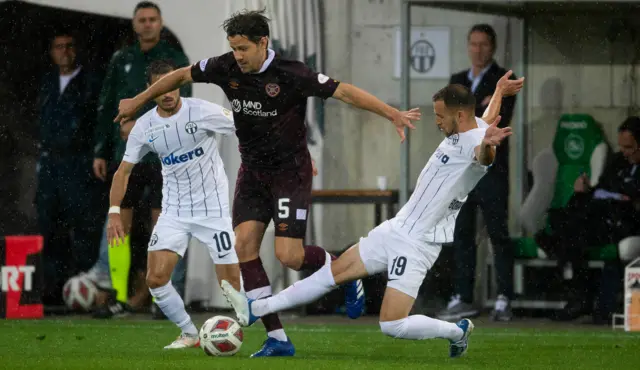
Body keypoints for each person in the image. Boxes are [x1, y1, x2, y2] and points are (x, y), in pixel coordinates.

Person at [113, 8, 420, 358]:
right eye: (233, 48)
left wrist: (391, 113)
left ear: (263, 43)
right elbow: (181, 75)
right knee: (244, 247)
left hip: (289, 173)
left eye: (243, 48)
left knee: (288, 256)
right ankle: (277, 338)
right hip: (253, 172)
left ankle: (341, 268)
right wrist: (137, 103)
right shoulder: (225, 66)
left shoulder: (292, 73)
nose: (237, 56)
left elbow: (344, 92)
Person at [222, 75, 524, 359]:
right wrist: (498, 93)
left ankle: (456, 332)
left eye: (439, 116)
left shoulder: (478, 143)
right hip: (396, 228)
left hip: (419, 244)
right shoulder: (472, 126)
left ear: (459, 116)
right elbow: (482, 122)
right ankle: (258, 307)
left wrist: (487, 146)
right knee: (335, 272)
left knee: (391, 325)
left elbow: (483, 154)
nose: (436, 122)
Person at [107, 59, 244, 349]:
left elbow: (245, 128)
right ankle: (189, 332)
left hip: (213, 210)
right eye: (161, 87)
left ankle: (262, 327)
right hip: (174, 211)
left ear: (180, 84)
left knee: (231, 289)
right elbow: (123, 172)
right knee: (156, 278)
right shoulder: (144, 127)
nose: (168, 93)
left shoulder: (202, 111)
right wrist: (114, 212)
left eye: (173, 85)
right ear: (150, 89)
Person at [92, 1, 192, 319]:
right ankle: (119, 296)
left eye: (152, 20)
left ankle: (167, 295)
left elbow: (181, 103)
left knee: (165, 221)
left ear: (161, 24)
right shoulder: (122, 59)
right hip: (128, 157)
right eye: (142, 20)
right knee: (120, 222)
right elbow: (107, 104)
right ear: (134, 25)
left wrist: (143, 125)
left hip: (165, 156)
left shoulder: (176, 60)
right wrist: (100, 150)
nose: (147, 25)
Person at [439, 24, 518, 322]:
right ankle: (463, 296)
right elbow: (452, 123)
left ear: (492, 47)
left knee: (498, 233)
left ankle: (504, 296)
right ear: (468, 46)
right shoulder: (457, 80)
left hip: (492, 169)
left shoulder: (503, 81)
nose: (478, 49)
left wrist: (473, 114)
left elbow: (494, 123)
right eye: (474, 44)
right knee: (462, 234)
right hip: (462, 170)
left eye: (484, 44)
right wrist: (476, 111)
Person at [536, 117, 640, 322]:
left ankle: (579, 295)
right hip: (603, 216)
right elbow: (602, 187)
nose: (625, 152)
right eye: (622, 147)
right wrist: (586, 188)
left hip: (626, 220)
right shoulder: (618, 161)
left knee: (571, 229)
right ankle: (581, 296)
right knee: (573, 215)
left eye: (629, 148)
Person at [37, 29, 105, 304]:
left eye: (69, 46)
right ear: (52, 52)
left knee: (83, 224)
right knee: (49, 225)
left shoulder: (90, 81)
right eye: (58, 46)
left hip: (78, 162)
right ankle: (54, 290)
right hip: (51, 164)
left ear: (76, 50)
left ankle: (86, 289)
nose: (64, 51)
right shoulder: (47, 83)